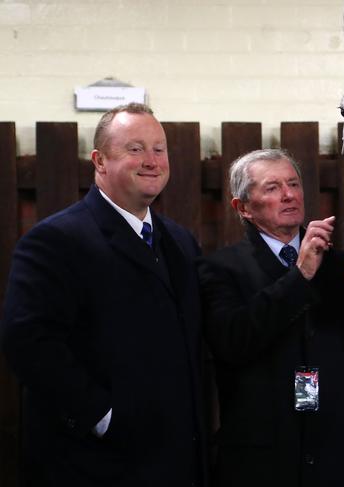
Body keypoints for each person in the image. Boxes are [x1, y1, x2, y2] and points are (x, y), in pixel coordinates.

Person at [0, 103, 206, 486]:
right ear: (99, 160)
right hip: (96, 465)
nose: (151, 160)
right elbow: (28, 342)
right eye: (135, 148)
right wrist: (102, 418)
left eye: (159, 149)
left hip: (178, 460)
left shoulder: (180, 241)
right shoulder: (55, 240)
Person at [197, 148, 344, 487]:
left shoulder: (343, 266)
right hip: (262, 463)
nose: (289, 195)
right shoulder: (221, 269)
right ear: (242, 208)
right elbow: (233, 343)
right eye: (272, 188)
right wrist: (299, 276)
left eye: (294, 184)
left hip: (337, 460)